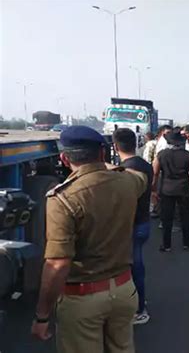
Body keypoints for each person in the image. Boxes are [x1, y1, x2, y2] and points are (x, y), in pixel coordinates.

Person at [31, 126, 147, 353]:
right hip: (124, 290)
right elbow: (139, 175)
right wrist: (103, 166)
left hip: (83, 299)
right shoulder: (128, 182)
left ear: (64, 158)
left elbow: (57, 264)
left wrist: (42, 315)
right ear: (102, 154)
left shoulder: (63, 199)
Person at [112, 128, 153, 325]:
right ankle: (138, 301)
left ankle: (139, 308)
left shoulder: (123, 170)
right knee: (135, 264)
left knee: (132, 267)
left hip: (131, 224)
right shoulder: (145, 165)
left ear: (115, 146)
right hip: (143, 221)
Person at [153, 131, 189, 251]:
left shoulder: (161, 155)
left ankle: (166, 244)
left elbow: (155, 173)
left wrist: (153, 189)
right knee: (185, 217)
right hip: (183, 189)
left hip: (167, 189)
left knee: (167, 218)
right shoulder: (187, 155)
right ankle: (186, 243)